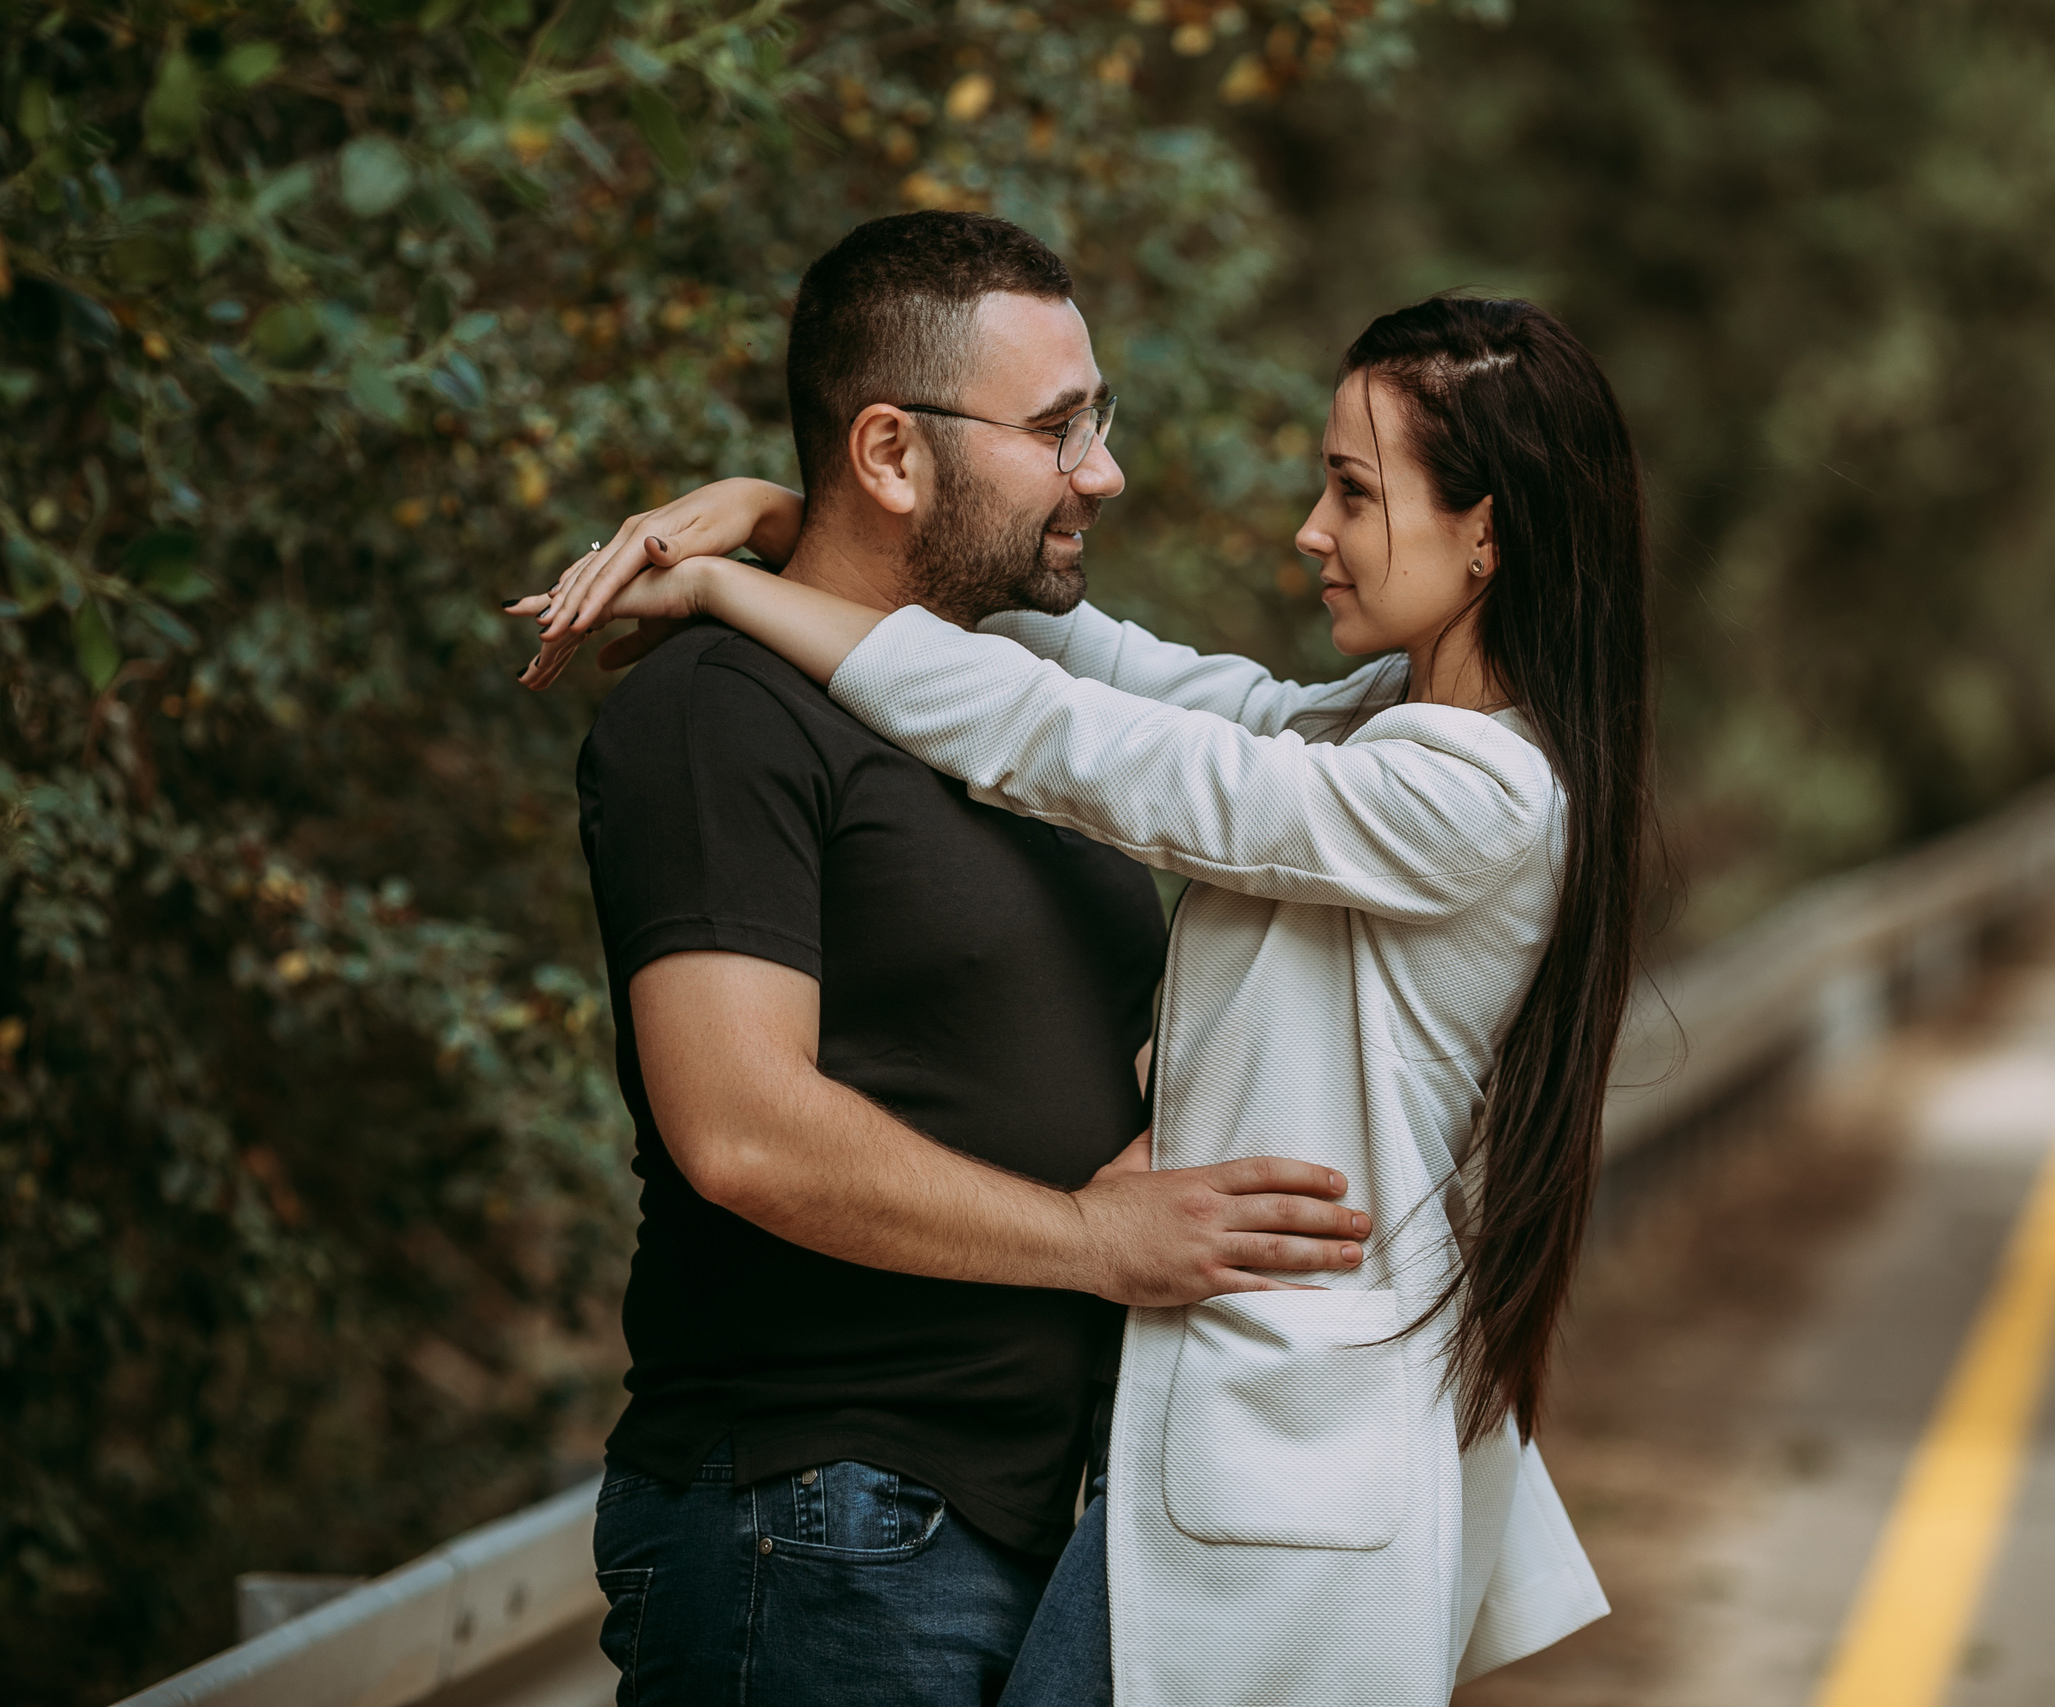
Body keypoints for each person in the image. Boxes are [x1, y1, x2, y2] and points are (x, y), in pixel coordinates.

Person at [520, 281, 1646, 1705]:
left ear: (1487, 531)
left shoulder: (1473, 794)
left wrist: (741, 586)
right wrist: (781, 515)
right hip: (1187, 1463)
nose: (1311, 529)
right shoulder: (1373, 730)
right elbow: (1116, 670)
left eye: (1353, 495)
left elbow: (1091, 745)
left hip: (1286, 1470)